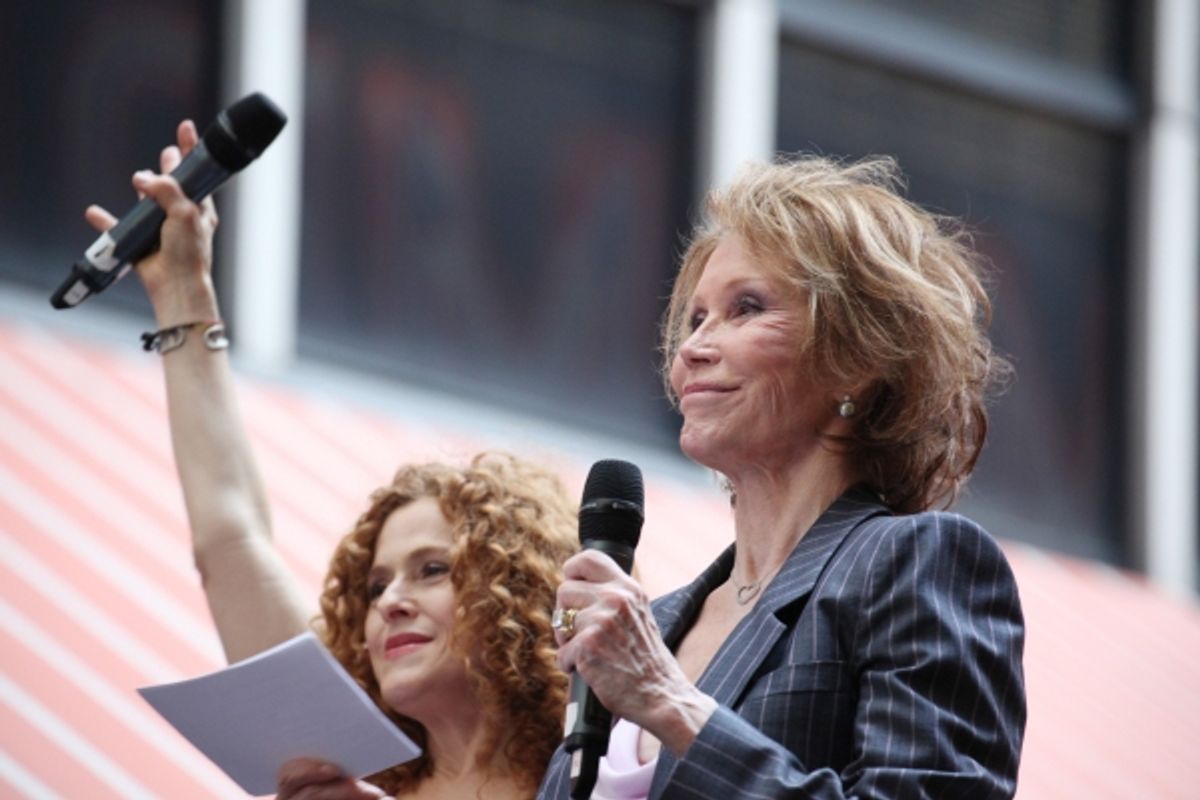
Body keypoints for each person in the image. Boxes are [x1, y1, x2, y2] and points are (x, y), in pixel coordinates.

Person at [85, 120, 578, 799]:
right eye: (375, 589)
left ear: (522, 596)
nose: (392, 604)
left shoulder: (606, 768)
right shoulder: (344, 766)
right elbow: (231, 541)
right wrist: (182, 296)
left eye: (432, 569)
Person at [539, 155, 1026, 798]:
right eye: (695, 318)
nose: (693, 348)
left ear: (857, 360)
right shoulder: (651, 627)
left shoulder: (916, 564)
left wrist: (671, 704)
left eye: (746, 308)